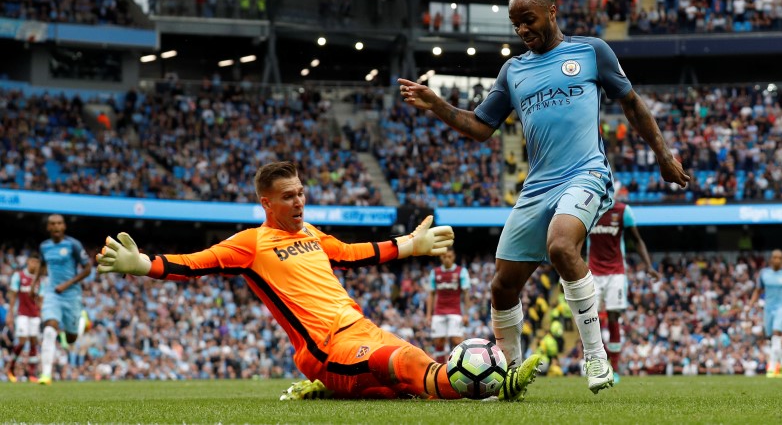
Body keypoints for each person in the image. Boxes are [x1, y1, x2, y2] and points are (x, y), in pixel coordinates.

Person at [398, 0, 689, 394]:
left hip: (586, 173)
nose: (522, 30)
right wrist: (438, 105)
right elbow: (481, 127)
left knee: (560, 246)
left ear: (552, 11)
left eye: (528, 20)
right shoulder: (513, 71)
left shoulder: (591, 52)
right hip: (537, 187)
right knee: (502, 287)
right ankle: (510, 375)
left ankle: (595, 356)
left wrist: (663, 155)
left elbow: (631, 102)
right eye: (515, 24)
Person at [95, 161, 541, 400]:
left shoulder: (311, 233)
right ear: (266, 203)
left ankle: (440, 387)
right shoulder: (250, 244)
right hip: (326, 349)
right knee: (402, 362)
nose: (299, 201)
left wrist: (409, 244)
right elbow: (194, 264)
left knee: (409, 371)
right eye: (288, 196)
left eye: (302, 192)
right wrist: (143, 264)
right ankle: (493, 389)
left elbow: (350, 253)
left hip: (358, 327)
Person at [587, 199, 658, 383]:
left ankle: (615, 368)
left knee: (613, 317)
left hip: (616, 273)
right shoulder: (588, 208)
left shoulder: (623, 211)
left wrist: (648, 266)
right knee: (589, 318)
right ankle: (595, 362)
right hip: (592, 273)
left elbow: (637, 240)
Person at [35, 214, 92, 385]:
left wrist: (67, 284)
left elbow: (88, 268)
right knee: (49, 330)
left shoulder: (73, 244)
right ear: (48, 228)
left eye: (59, 223)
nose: (56, 226)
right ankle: (46, 375)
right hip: (53, 294)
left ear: (64, 226)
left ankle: (81, 320)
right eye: (53, 224)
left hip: (72, 295)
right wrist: (33, 285)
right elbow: (42, 265)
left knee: (71, 339)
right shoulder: (44, 246)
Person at [747, 249, 782, 378]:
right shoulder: (764, 274)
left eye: (780, 258)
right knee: (772, 338)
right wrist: (750, 305)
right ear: (771, 259)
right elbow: (757, 291)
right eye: (775, 257)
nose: (777, 260)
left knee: (777, 335)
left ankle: (771, 367)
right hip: (768, 309)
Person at [426, 247, 471, 363]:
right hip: (439, 311)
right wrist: (428, 315)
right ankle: (441, 368)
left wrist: (466, 314)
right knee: (439, 342)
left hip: (455, 311)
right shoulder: (435, 272)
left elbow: (466, 294)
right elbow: (431, 294)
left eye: (449, 256)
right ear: (441, 257)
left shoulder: (461, 271)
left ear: (454, 257)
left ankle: (458, 366)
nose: (447, 259)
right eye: (444, 256)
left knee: (457, 341)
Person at [5, 255, 43, 382]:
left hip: (35, 315)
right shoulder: (19, 276)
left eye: (37, 262)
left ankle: (32, 373)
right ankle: (11, 367)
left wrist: (41, 312)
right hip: (22, 314)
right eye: (33, 261)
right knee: (22, 341)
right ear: (28, 262)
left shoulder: (39, 280)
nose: (35, 264)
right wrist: (10, 313)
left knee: (33, 342)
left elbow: (41, 300)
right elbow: (13, 296)